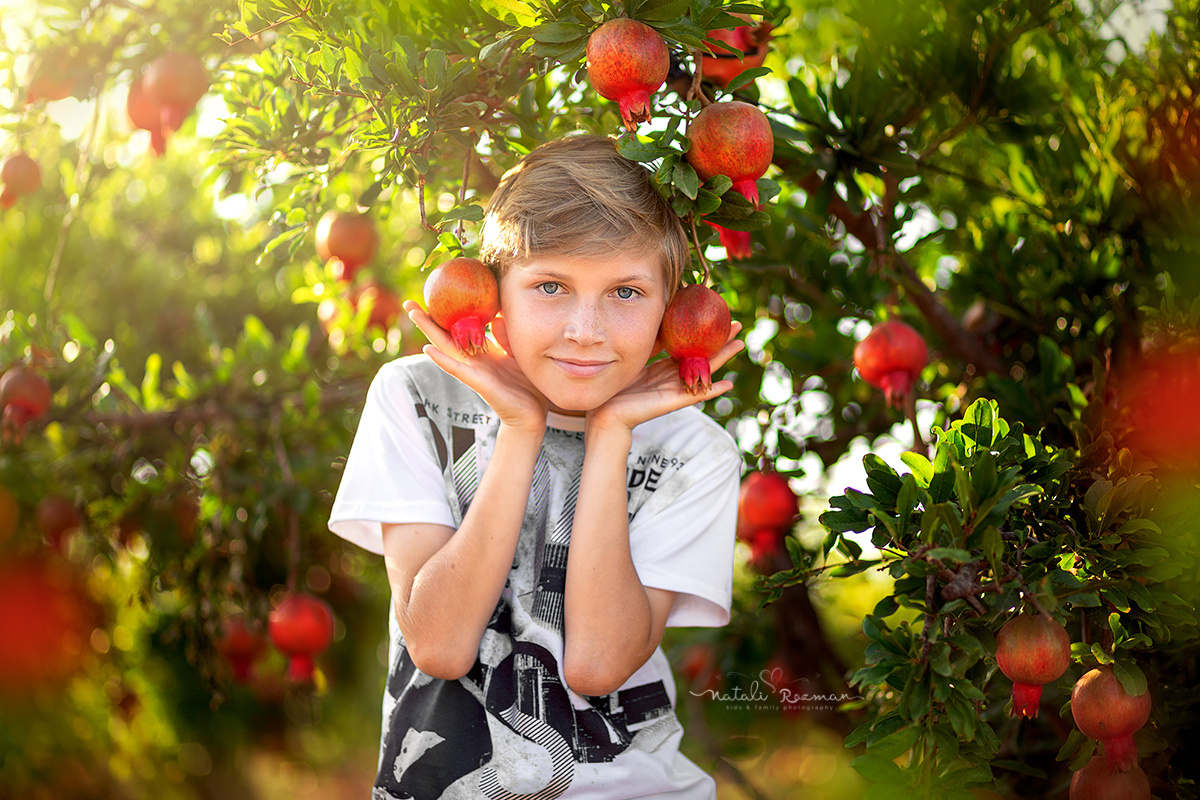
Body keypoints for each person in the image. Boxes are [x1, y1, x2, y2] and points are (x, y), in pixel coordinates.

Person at [328, 133, 744, 799]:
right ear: (497, 295)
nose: (587, 328)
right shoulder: (418, 396)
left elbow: (599, 663)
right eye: (550, 285)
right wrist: (522, 426)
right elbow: (437, 644)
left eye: (626, 293)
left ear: (669, 307)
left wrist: (610, 437)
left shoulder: (692, 450)